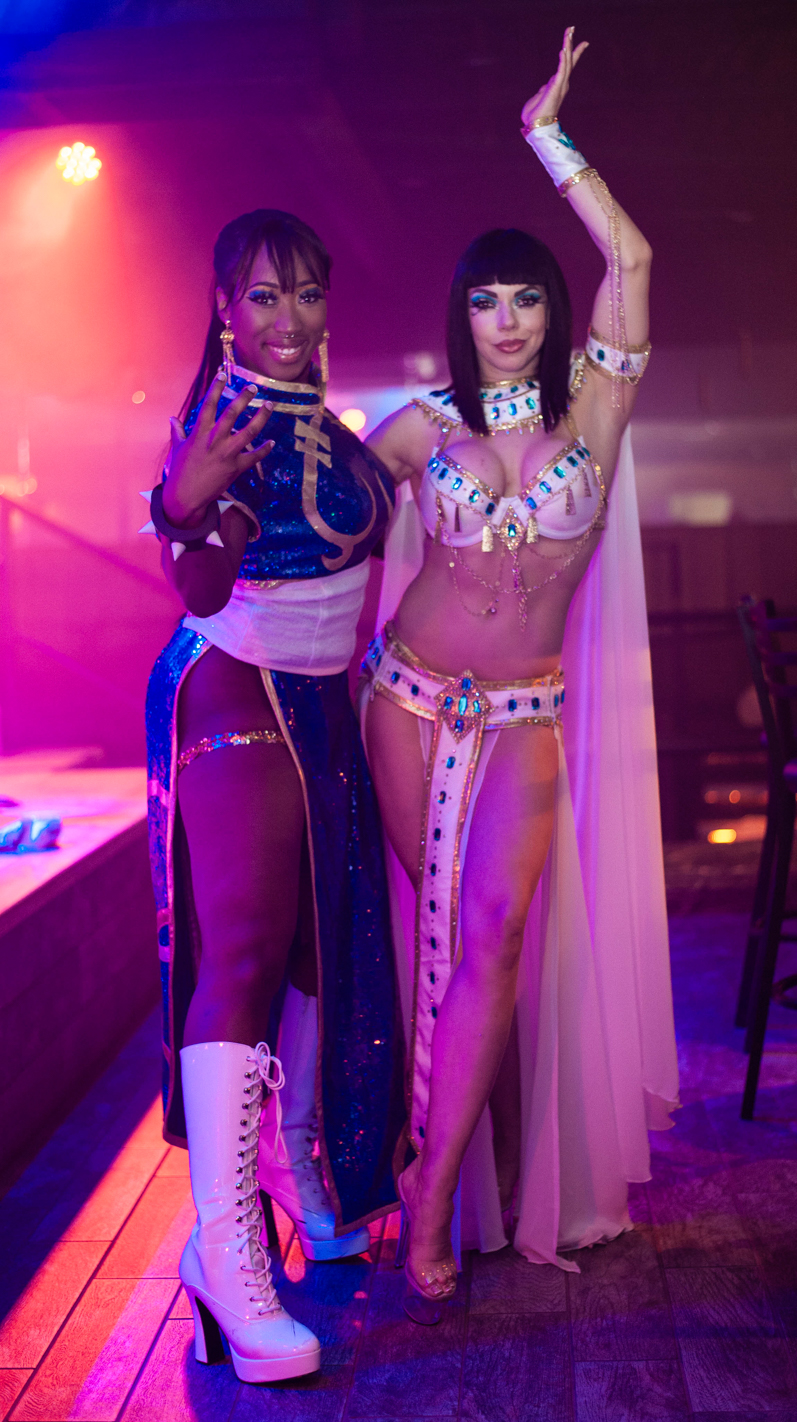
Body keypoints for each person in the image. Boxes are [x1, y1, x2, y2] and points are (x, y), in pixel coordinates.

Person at [359, 30, 679, 1319]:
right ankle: (449, 1181)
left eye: (526, 299)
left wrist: (548, 140)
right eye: (486, 301)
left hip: (524, 718)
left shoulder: (594, 411)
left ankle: (433, 1191)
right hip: (405, 704)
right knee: (439, 945)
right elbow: (321, 518)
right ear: (461, 316)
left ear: (551, 313)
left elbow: (632, 261)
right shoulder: (419, 425)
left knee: (490, 936)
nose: (506, 321)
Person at [143, 209, 405, 1380]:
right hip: (237, 683)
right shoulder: (231, 418)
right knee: (245, 949)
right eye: (260, 295)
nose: (285, 317)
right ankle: (224, 1255)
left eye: (303, 293)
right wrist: (178, 504)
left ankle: (300, 1177)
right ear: (222, 309)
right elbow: (203, 584)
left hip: (321, 706)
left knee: (315, 946)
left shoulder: (325, 424)